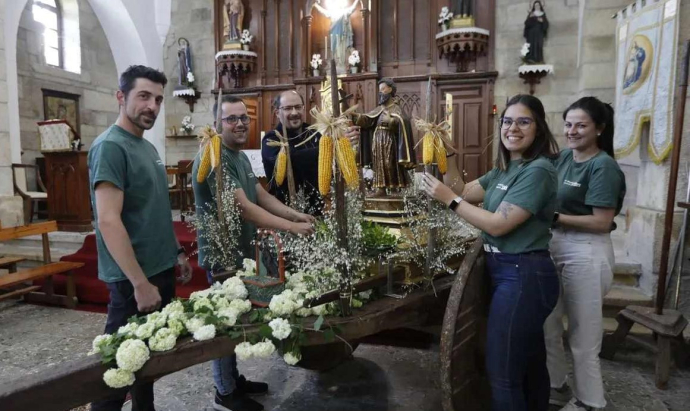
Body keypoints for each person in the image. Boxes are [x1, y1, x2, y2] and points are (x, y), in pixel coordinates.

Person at [420, 94, 560, 411]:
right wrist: (448, 153)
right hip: (506, 272)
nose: (513, 128)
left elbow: (497, 225)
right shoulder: (504, 170)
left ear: (539, 128)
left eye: (524, 121)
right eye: (507, 121)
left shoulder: (538, 171)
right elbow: (461, 190)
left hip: (524, 274)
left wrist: (448, 200)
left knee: (503, 375)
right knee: (529, 365)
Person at [192, 95, 316, 411]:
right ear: (217, 123)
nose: (240, 124)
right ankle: (224, 391)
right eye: (231, 119)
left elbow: (260, 196)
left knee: (235, 321)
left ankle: (233, 380)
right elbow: (244, 208)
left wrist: (295, 215)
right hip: (222, 256)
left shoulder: (239, 156)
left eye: (243, 118)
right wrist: (290, 228)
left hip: (241, 254)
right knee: (224, 325)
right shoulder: (214, 156)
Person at [88, 65, 193, 411]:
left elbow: (154, 209)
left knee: (147, 361)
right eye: (143, 96)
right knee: (118, 369)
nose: (152, 106)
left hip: (158, 269)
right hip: (133, 279)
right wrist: (139, 283)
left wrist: (176, 252)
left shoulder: (146, 147)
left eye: (158, 99)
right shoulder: (110, 147)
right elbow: (108, 220)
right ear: (121, 97)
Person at [544, 97, 626, 411]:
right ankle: (556, 385)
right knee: (548, 323)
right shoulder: (565, 157)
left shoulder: (603, 166)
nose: (572, 131)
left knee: (583, 334)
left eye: (581, 125)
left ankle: (590, 401)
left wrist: (553, 217)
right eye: (568, 124)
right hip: (555, 243)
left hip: (587, 250)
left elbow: (602, 222)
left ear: (599, 129)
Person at [261, 89, 360, 214]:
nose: (294, 112)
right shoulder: (271, 138)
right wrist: (331, 147)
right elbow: (293, 159)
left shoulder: (314, 133)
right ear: (277, 113)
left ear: (303, 108)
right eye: (288, 108)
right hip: (285, 212)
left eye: (298, 107)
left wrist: (344, 146)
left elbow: (330, 164)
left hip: (317, 210)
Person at [354, 78, 416, 197]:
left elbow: (404, 121)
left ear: (390, 89)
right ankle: (381, 189)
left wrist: (392, 121)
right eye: (379, 90)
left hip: (389, 139)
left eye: (383, 89)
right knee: (379, 164)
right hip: (377, 140)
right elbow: (368, 119)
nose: (380, 92)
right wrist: (355, 116)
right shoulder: (380, 109)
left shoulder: (396, 108)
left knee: (389, 163)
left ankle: (394, 189)